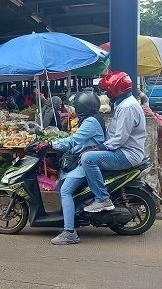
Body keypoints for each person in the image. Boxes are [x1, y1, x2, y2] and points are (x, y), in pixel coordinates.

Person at [81, 71, 146, 213]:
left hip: (127, 154)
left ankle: (102, 199)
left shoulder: (127, 107)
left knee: (88, 159)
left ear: (115, 89)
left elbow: (119, 139)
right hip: (123, 150)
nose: (105, 93)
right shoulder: (122, 104)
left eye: (107, 90)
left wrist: (98, 148)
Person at [48, 91, 106, 245]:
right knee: (60, 185)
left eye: (77, 107)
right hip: (80, 158)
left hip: (84, 162)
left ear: (82, 108)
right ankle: (73, 216)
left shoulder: (90, 122)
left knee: (65, 191)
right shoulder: (92, 118)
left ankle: (69, 232)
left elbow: (75, 140)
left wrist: (52, 144)